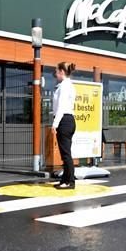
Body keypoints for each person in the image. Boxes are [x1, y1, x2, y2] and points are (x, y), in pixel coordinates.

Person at [52, 62, 77, 190]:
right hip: (68, 120)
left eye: (56, 71)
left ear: (62, 72)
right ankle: (65, 180)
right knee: (65, 153)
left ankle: (70, 181)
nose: (55, 74)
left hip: (64, 120)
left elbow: (61, 106)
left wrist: (55, 124)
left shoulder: (65, 86)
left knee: (66, 154)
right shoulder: (67, 85)